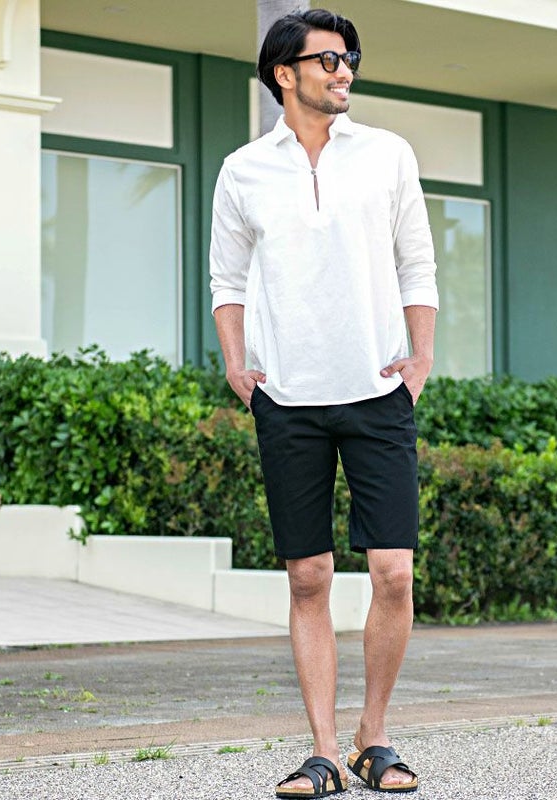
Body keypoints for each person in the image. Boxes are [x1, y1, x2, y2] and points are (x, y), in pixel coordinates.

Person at [209, 8, 438, 797]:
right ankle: (325, 752)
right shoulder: (244, 170)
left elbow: (417, 263)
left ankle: (376, 737)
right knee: (308, 576)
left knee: (393, 573)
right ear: (285, 73)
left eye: (351, 59)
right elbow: (227, 278)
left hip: (378, 391)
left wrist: (420, 359)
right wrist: (237, 362)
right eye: (329, 59)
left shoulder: (387, 154)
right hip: (289, 397)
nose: (345, 72)